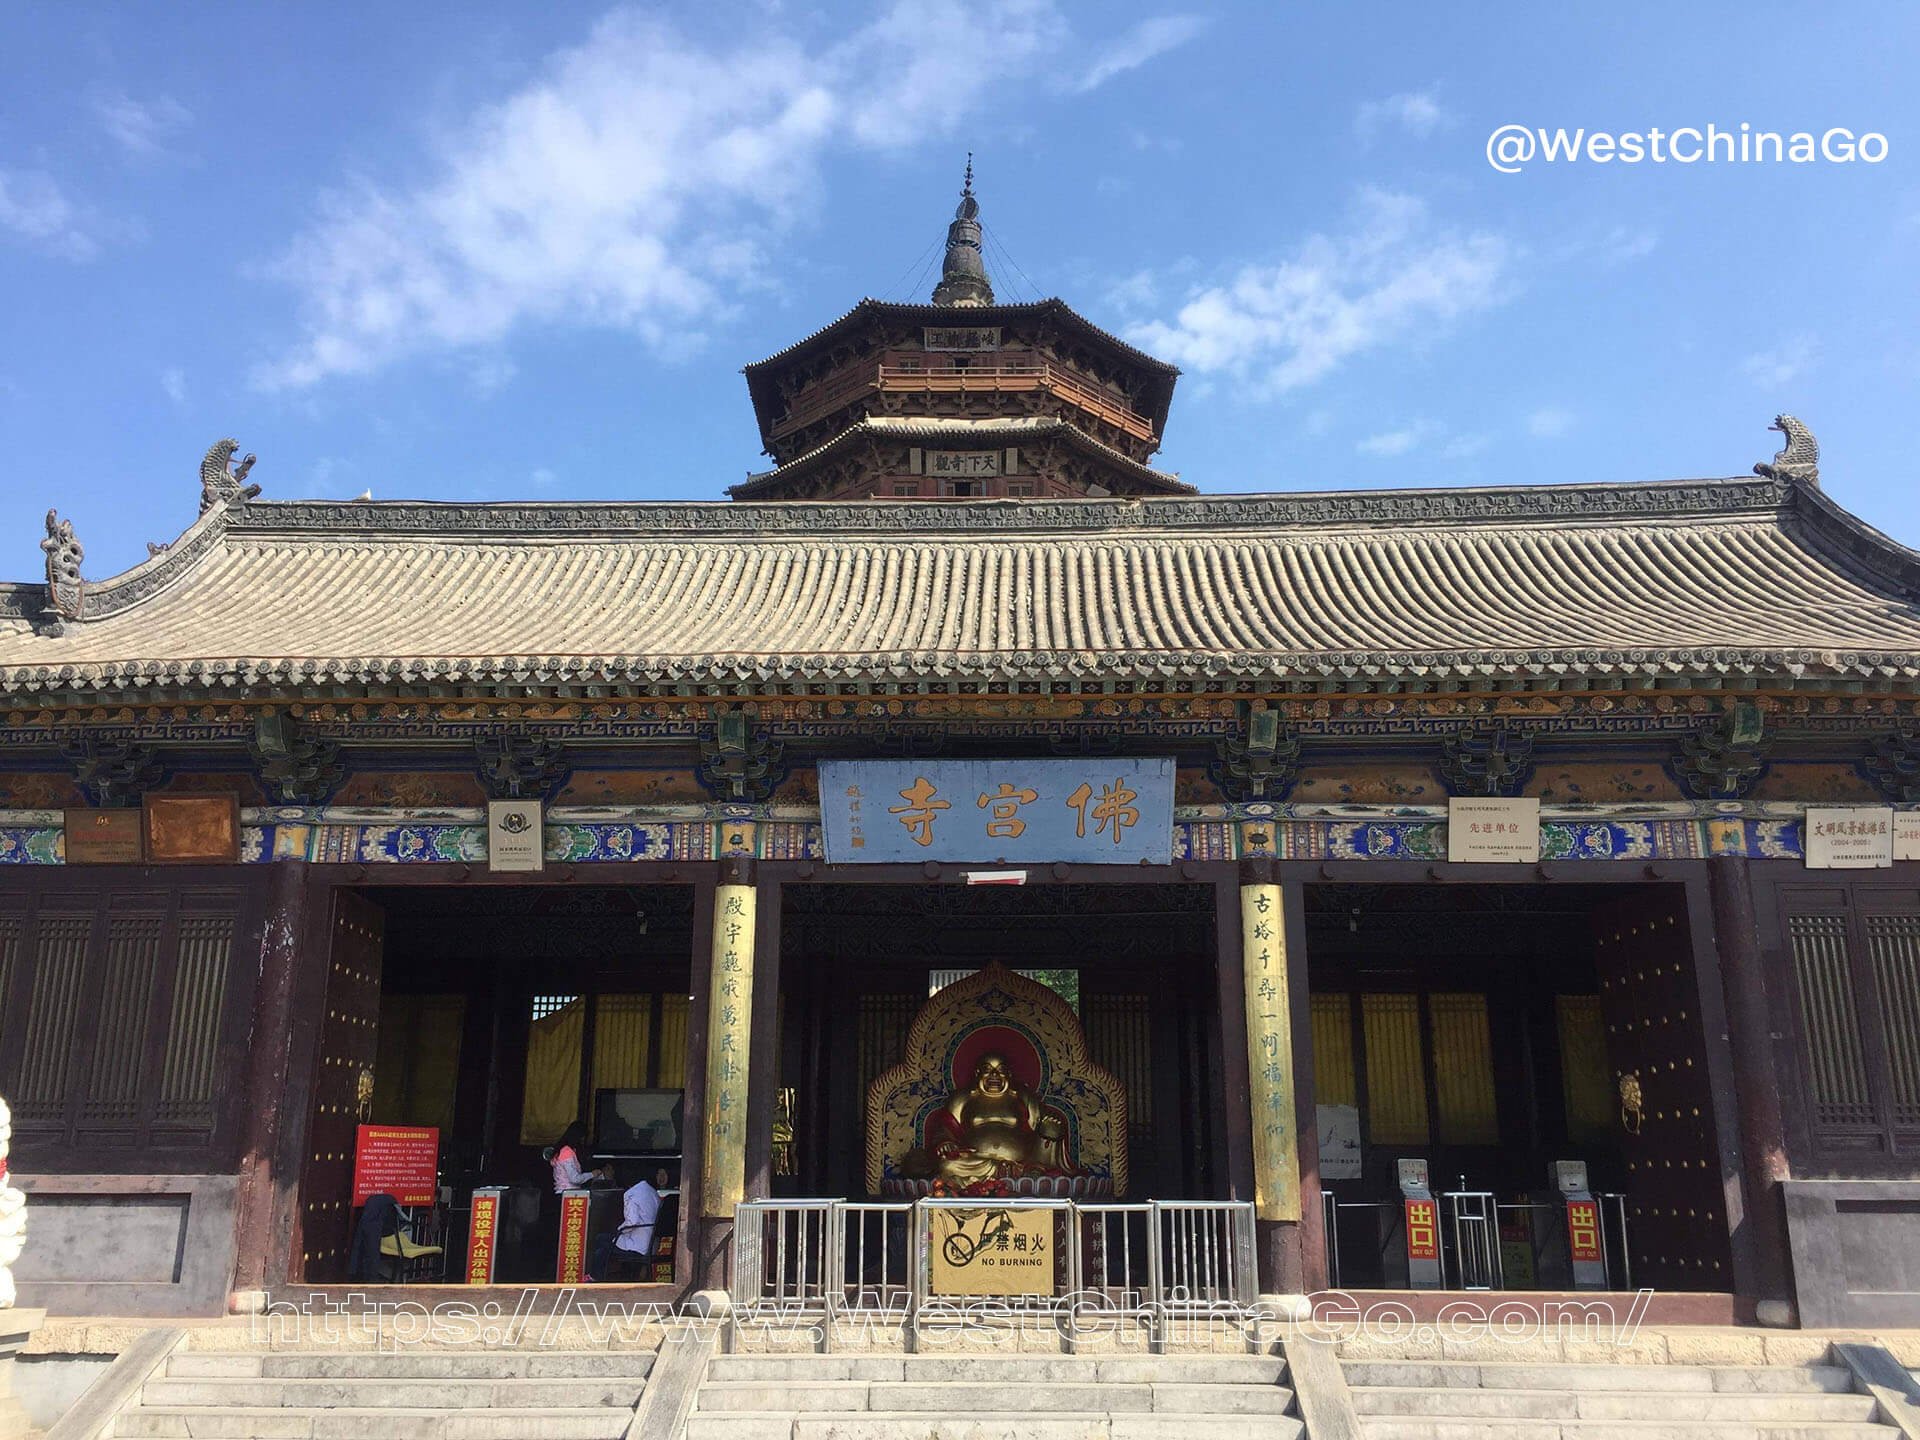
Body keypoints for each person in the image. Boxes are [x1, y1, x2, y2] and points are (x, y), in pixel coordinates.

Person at [589, 1168, 668, 1282]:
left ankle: (595, 1277)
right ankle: (604, 1276)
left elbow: (632, 1222)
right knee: (604, 1246)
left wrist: (618, 1230)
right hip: (653, 1246)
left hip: (637, 1247)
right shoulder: (652, 1192)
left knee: (601, 1239)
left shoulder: (631, 1194)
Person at [549, 1122, 610, 1193]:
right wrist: (592, 1174)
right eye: (583, 1138)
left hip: (567, 1193)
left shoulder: (567, 1150)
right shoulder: (566, 1152)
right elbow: (575, 1178)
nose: (584, 1141)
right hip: (568, 1194)